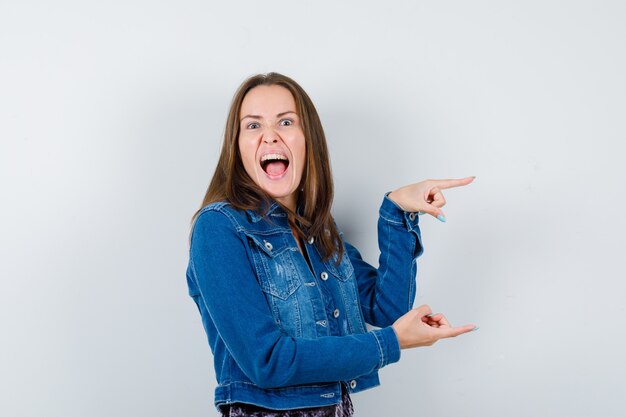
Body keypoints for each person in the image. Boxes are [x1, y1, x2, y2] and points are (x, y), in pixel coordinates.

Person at [186, 72, 477, 417]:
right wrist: (391, 343)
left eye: (286, 121)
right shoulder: (219, 227)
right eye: (252, 126)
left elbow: (387, 309)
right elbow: (266, 361)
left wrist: (396, 213)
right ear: (236, 147)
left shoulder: (320, 231)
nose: (270, 136)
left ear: (308, 138)